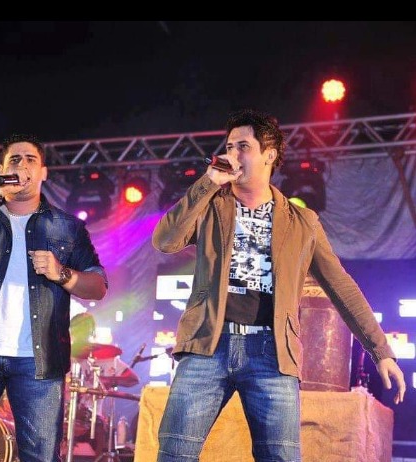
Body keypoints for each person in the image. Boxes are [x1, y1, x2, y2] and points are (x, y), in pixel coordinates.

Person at [151, 108, 406, 462]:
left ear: (269, 155)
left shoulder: (302, 221)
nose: (232, 154)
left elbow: (341, 287)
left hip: (271, 352)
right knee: (174, 454)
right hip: (207, 344)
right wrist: (208, 183)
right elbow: (165, 241)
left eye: (243, 147)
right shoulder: (210, 206)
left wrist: (381, 351)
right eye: (229, 146)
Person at [0, 134, 108, 462]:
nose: (22, 165)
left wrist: (61, 273)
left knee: (40, 457)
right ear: (1, 170)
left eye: (30, 160)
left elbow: (98, 287)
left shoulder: (67, 228)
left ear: (43, 173)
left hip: (38, 362)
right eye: (14, 159)